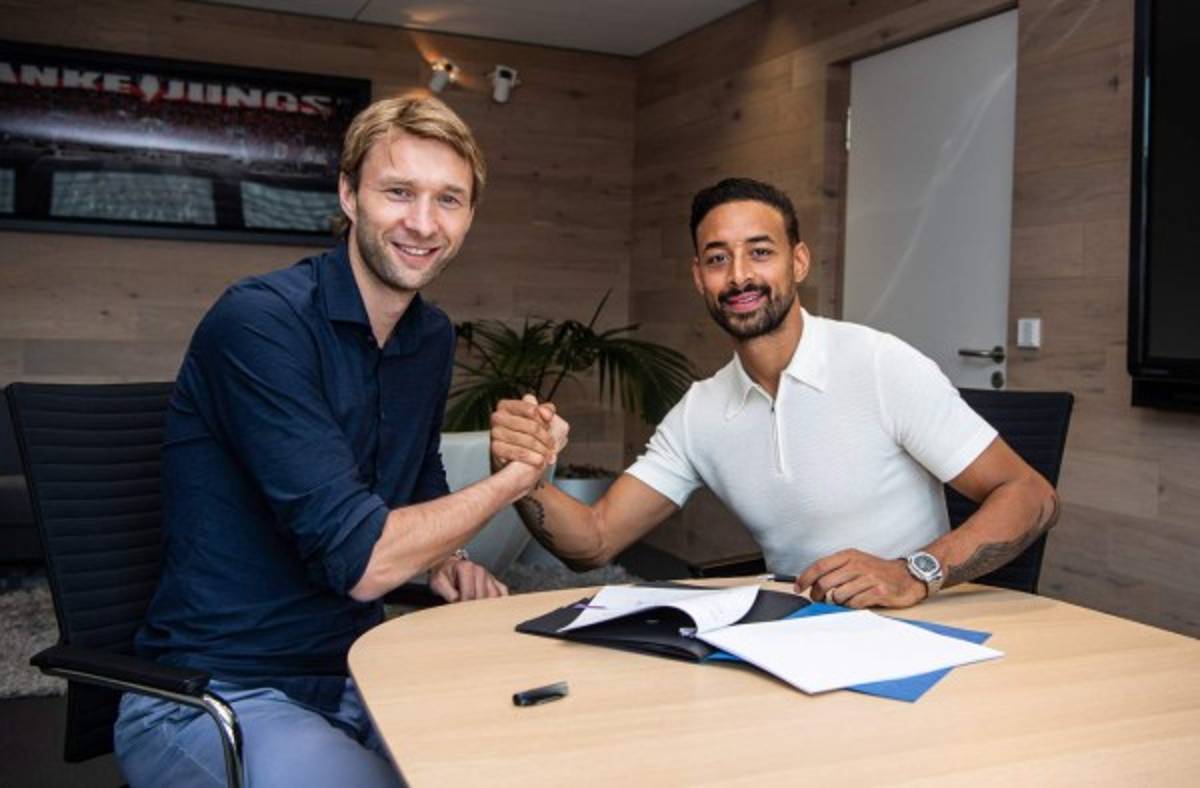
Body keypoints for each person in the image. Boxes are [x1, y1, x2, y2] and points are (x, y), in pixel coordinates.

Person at [115, 93, 548, 787]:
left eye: (448, 199)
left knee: (532, 761)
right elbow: (364, 563)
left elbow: (416, 479)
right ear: (348, 194)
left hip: (361, 671)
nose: (423, 223)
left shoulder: (430, 337)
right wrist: (513, 480)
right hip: (214, 695)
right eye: (398, 192)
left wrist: (447, 557)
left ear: (469, 216)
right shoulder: (260, 323)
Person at [491, 177, 1058, 610]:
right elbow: (593, 541)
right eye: (718, 259)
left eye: (760, 252)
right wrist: (522, 476)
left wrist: (914, 572)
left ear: (798, 261)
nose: (739, 276)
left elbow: (1031, 494)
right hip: (795, 638)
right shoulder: (700, 412)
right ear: (698, 277)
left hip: (919, 629)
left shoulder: (880, 363)